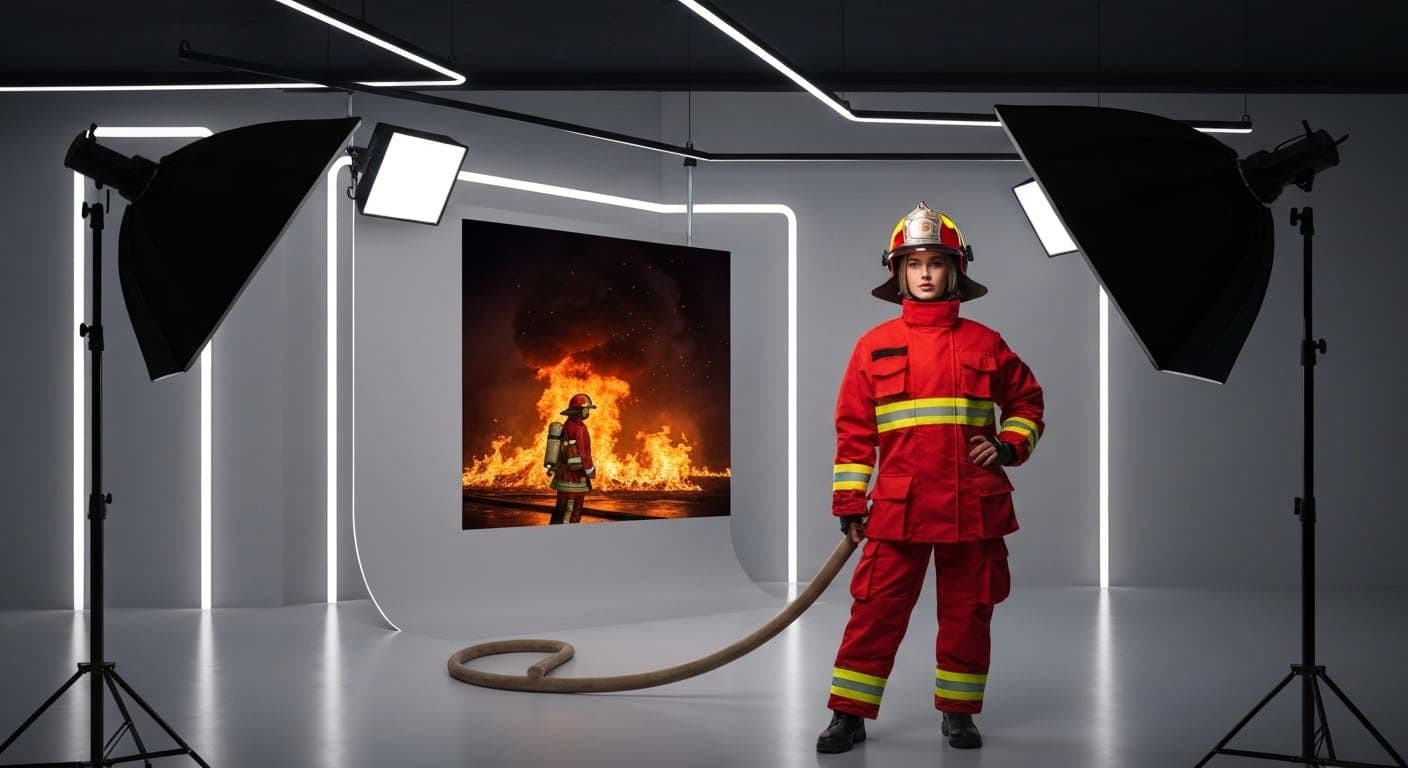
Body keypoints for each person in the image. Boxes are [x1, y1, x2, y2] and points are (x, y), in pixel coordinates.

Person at [816, 202, 1045, 753]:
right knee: (875, 611)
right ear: (897, 272)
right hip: (902, 506)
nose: (924, 273)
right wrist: (849, 502)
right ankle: (848, 715)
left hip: (973, 504)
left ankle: (958, 713)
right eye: (913, 263)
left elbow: (1027, 402)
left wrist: (1008, 444)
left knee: (968, 613)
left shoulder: (986, 343)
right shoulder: (872, 346)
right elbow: (854, 432)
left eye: (936, 263)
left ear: (955, 271)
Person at [548, 393, 598, 524]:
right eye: (586, 409)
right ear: (579, 410)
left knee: (560, 508)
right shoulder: (580, 428)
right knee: (574, 509)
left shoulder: (567, 424)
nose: (588, 412)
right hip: (576, 477)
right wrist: (589, 470)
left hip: (562, 475)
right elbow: (583, 453)